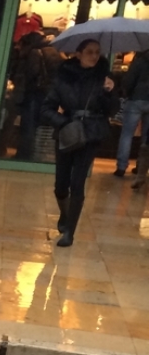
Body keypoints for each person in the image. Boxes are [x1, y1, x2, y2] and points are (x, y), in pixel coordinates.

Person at [39, 39, 118, 247]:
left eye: (97, 52)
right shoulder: (64, 78)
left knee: (78, 182)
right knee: (60, 185)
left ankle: (70, 233)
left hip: (91, 134)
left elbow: (111, 110)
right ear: (79, 54)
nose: (94, 56)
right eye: (89, 52)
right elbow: (46, 109)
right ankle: (65, 215)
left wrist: (108, 92)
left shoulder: (103, 79)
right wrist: (64, 122)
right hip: (67, 132)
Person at [9, 31, 47, 161]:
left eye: (20, 45)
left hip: (32, 94)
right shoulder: (46, 51)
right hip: (40, 94)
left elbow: (31, 74)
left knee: (28, 125)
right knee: (32, 126)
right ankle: (28, 153)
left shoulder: (33, 54)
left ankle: (24, 155)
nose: (17, 47)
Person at [116, 48, 149, 177]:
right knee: (146, 137)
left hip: (136, 99)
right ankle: (141, 167)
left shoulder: (139, 61)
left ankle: (121, 167)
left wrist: (128, 93)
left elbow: (128, 81)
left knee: (127, 134)